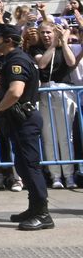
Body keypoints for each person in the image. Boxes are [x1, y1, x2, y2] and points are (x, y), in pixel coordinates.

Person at [0, 23, 52, 230]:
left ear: (8, 40)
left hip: (24, 120)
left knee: (30, 167)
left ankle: (43, 214)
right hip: (21, 120)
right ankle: (34, 208)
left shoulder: (17, 60)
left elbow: (15, 91)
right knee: (23, 165)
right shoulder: (18, 58)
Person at [33, 21, 78, 189]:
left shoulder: (62, 47)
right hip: (46, 92)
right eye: (43, 32)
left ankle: (69, 175)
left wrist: (63, 41)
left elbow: (71, 62)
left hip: (63, 91)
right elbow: (42, 64)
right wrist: (52, 45)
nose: (46, 35)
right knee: (49, 136)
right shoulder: (37, 49)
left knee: (65, 136)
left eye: (49, 33)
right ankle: (55, 175)